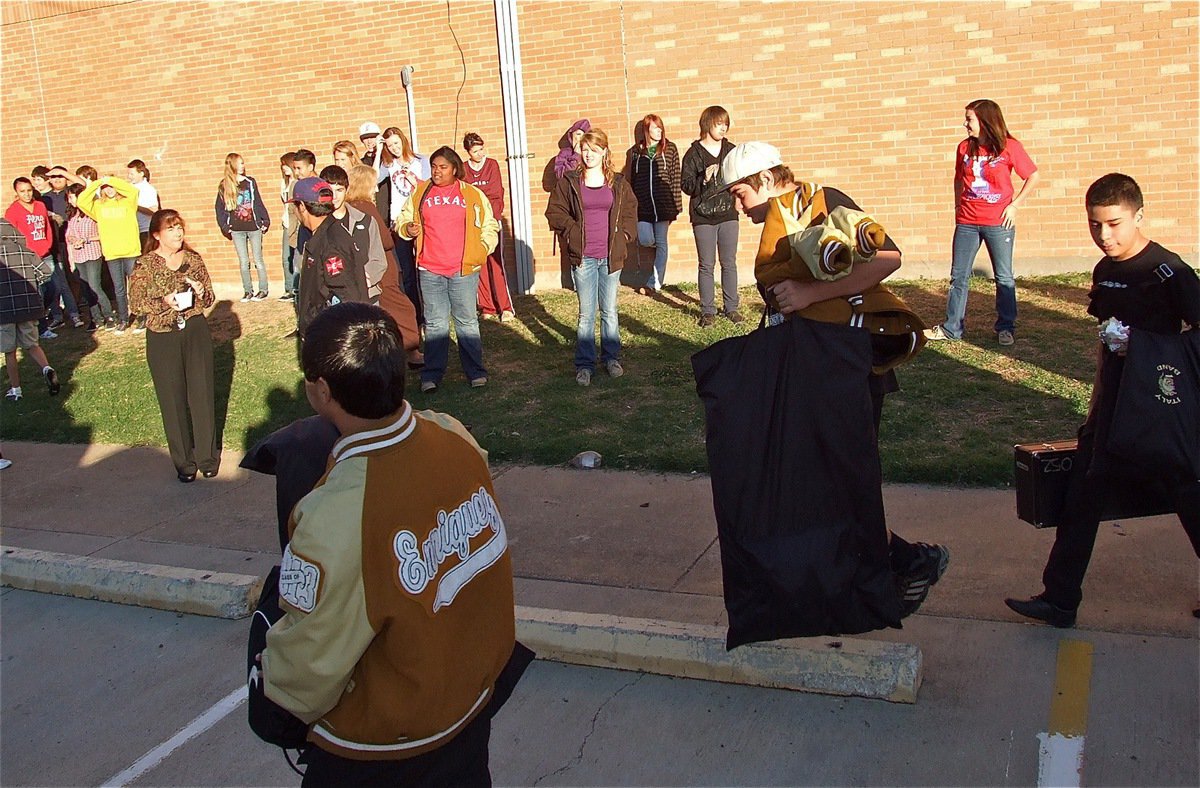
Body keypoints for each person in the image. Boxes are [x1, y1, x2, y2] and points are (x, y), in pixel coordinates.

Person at [260, 301, 517, 786]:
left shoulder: (335, 512)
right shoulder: (452, 433)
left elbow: (311, 658)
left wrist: (273, 684)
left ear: (320, 390)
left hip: (383, 747)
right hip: (469, 707)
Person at [719, 141, 949, 616]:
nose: (739, 209)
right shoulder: (777, 226)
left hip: (849, 367)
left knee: (845, 482)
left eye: (740, 194)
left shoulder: (826, 202)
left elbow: (888, 257)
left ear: (764, 179)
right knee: (825, 482)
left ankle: (904, 567)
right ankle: (877, 576)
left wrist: (807, 292)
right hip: (812, 367)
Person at [1005, 174, 1200, 628]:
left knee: (1189, 495)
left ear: (1138, 216)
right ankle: (1060, 600)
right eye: (1095, 225)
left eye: (1114, 223)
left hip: (1159, 407)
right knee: (1083, 496)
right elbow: (1105, 341)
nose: (1104, 236)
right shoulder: (1104, 270)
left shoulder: (1169, 272)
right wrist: (1098, 400)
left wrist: (1146, 347)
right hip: (1111, 403)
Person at [926, 99, 1040, 346]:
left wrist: (1015, 205)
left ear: (985, 121)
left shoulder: (1010, 147)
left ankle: (1005, 327)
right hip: (967, 221)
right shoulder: (964, 148)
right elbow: (958, 178)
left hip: (998, 222)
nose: (965, 124)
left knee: (1004, 277)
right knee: (959, 276)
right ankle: (951, 328)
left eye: (969, 119)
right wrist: (958, 205)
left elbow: (1032, 175)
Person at [397, 146, 498, 393]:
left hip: (463, 270)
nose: (437, 171)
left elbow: (489, 225)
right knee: (435, 324)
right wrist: (407, 229)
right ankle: (431, 375)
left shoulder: (472, 194)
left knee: (466, 322)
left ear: (455, 169)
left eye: (443, 167)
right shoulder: (420, 193)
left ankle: (475, 372)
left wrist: (481, 250)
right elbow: (402, 219)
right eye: (433, 167)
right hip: (430, 269)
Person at [128, 210, 218, 483]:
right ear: (156, 234)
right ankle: (184, 464)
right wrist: (163, 301)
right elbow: (136, 304)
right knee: (172, 399)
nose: (178, 233)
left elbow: (210, 297)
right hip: (163, 336)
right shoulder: (145, 265)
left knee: (201, 393)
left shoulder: (193, 259)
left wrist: (202, 292)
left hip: (194, 330)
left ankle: (207, 458)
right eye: (171, 229)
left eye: (180, 227)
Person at [544, 128, 637, 387]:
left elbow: (630, 211)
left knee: (609, 311)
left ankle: (611, 358)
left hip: (610, 257)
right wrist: (572, 232)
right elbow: (555, 212)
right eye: (585, 150)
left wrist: (625, 236)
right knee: (586, 314)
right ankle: (584, 365)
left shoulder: (618, 183)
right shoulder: (570, 182)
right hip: (583, 257)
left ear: (604, 152)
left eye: (594, 150)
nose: (589, 155)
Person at [347, 163, 424, 368]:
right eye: (373, 184)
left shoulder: (348, 209)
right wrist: (393, 233)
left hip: (365, 269)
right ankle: (412, 350)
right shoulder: (366, 207)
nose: (376, 189)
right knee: (402, 307)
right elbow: (385, 241)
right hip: (382, 269)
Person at [681, 105, 743, 326]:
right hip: (703, 216)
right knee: (706, 265)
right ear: (708, 124)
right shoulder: (693, 154)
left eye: (726, 124)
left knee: (729, 262)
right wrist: (702, 179)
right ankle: (708, 311)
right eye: (719, 124)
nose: (723, 128)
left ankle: (732, 308)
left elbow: (741, 180)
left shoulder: (731, 151)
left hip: (728, 214)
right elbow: (686, 186)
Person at [293, 177, 370, 338]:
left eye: (294, 205)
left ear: (301, 206)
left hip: (332, 337)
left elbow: (344, 294)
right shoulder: (321, 235)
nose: (294, 211)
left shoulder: (331, 243)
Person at [5, 177, 80, 337]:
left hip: (45, 254)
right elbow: (11, 236)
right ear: (17, 193)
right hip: (28, 258)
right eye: (22, 191)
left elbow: (47, 228)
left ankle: (44, 316)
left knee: (54, 287)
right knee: (37, 291)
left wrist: (47, 245)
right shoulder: (13, 211)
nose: (26, 194)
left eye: (29, 190)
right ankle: (42, 327)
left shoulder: (39, 206)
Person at [1, 217, 59, 401]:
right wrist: (33, 286)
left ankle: (16, 390)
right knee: (33, 345)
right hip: (29, 307)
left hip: (3, 311)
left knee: (9, 351)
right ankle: (47, 369)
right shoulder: (25, 251)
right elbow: (46, 272)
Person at [376, 127, 430, 323]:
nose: (395, 149)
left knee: (425, 269)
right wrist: (379, 151)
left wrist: (414, 181)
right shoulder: (388, 165)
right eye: (390, 146)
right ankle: (417, 316)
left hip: (419, 219)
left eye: (397, 144)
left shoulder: (421, 161)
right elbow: (373, 180)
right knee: (406, 272)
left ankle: (431, 310)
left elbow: (429, 188)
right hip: (398, 222)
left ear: (404, 141)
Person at [625, 113, 682, 295]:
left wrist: (675, 206)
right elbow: (632, 180)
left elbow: (675, 177)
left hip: (664, 205)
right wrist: (633, 206)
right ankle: (657, 250)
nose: (659, 131)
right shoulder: (635, 152)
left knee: (662, 244)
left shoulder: (670, 148)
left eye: (660, 128)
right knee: (645, 239)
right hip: (644, 207)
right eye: (655, 128)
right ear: (646, 130)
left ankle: (654, 283)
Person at [77, 174, 142, 333]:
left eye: (112, 187)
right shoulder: (98, 206)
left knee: (136, 286)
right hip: (112, 253)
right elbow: (81, 201)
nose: (110, 189)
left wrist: (111, 180)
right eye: (106, 188)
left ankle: (142, 317)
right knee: (119, 289)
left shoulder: (128, 201)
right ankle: (123, 318)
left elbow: (132, 190)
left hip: (131, 250)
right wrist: (99, 182)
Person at [461, 132, 515, 321]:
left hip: (491, 221)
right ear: (468, 152)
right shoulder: (464, 169)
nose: (480, 154)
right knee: (480, 263)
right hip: (474, 224)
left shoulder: (492, 165)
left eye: (481, 149)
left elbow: (495, 192)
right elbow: (466, 194)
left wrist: (488, 213)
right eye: (476, 151)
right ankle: (487, 307)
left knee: (496, 263)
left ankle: (505, 306)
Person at [215, 152, 271, 302]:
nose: (243, 166)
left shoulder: (250, 182)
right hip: (237, 230)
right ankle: (248, 291)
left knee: (258, 259)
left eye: (243, 163)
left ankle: (263, 289)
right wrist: (225, 227)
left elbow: (257, 202)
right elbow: (219, 208)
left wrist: (265, 220)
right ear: (233, 165)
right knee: (243, 261)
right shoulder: (224, 185)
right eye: (240, 163)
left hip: (254, 227)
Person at [64, 183, 110, 329]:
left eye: (71, 197)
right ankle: (96, 318)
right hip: (79, 256)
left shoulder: (92, 212)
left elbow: (103, 233)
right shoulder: (72, 215)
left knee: (94, 285)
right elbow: (69, 234)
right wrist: (73, 240)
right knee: (85, 289)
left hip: (92, 253)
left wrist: (86, 240)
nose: (70, 200)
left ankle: (109, 315)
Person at [126, 159, 161, 250]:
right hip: (131, 230)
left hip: (145, 230)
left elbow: (153, 210)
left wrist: (135, 205)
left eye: (132, 174)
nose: (129, 176)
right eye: (128, 174)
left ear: (141, 173)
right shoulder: (127, 188)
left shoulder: (149, 189)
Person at [278, 153, 299, 301]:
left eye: (285, 164)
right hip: (286, 222)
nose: (284, 168)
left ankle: (297, 287)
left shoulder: (297, 183)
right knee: (286, 257)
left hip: (296, 223)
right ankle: (289, 288)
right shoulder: (284, 183)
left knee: (297, 257)